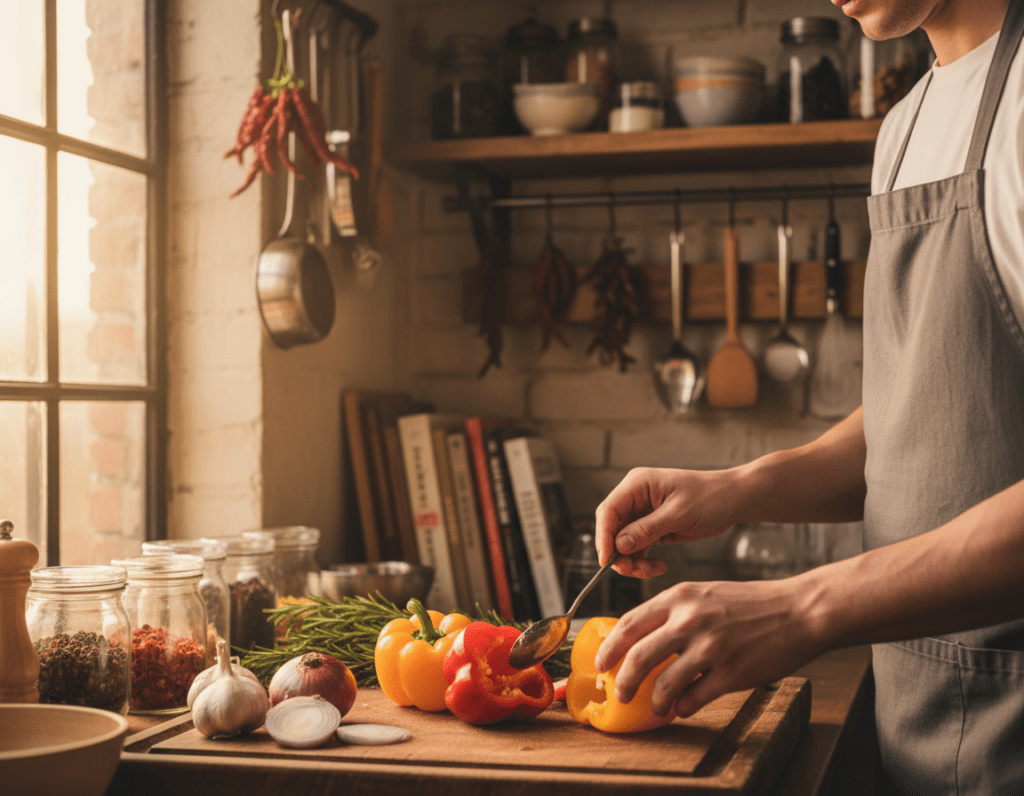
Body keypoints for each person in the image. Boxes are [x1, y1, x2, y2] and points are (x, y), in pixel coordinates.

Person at [593, 0, 1024, 792]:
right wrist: (736, 489)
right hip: (915, 717)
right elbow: (925, 418)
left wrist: (799, 610)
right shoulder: (902, 128)